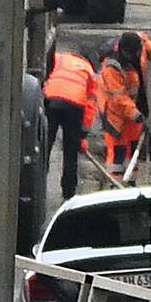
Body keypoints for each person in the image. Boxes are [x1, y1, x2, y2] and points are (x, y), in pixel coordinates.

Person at [42, 48, 98, 199]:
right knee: (71, 151)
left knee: (45, 146)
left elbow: (45, 70)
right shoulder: (89, 70)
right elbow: (91, 104)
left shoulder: (59, 57)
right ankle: (69, 192)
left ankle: (40, 184)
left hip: (52, 99)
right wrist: (82, 134)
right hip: (75, 105)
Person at [95, 31, 150, 173]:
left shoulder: (141, 45)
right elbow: (119, 98)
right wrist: (136, 114)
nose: (135, 57)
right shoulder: (112, 67)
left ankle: (131, 181)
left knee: (133, 147)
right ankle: (115, 184)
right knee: (117, 152)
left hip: (133, 105)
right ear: (123, 51)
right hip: (114, 112)